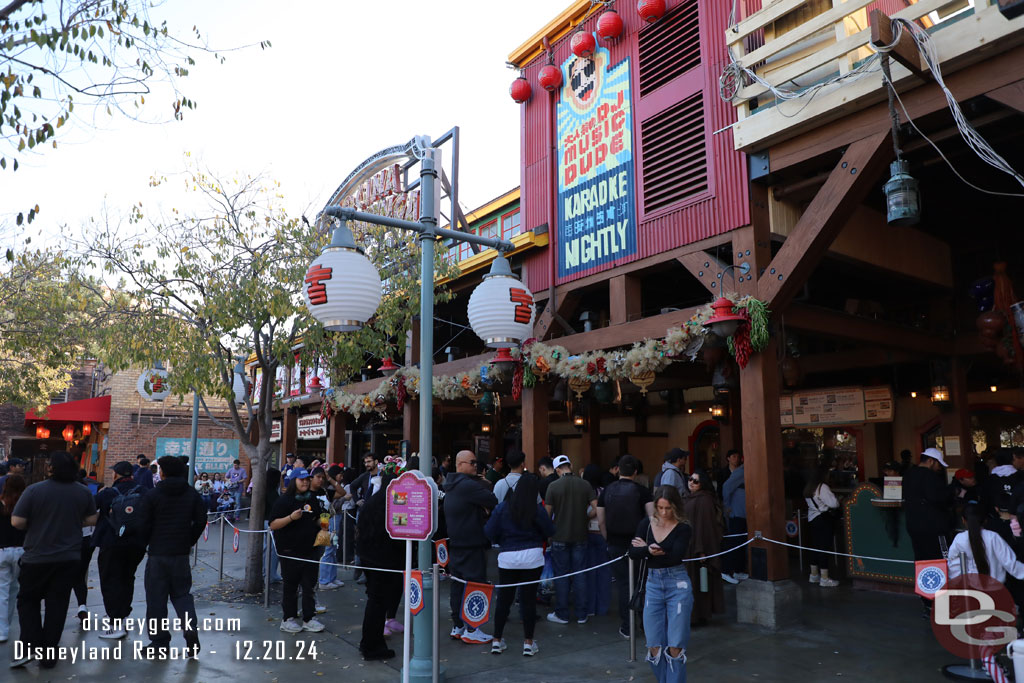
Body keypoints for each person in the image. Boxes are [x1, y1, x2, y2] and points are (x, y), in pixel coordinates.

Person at [10, 451, 97, 669]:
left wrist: (38, 523)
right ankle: (49, 654)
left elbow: (17, 522)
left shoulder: (34, 490)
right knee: (57, 605)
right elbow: (92, 518)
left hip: (36, 557)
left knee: (28, 601)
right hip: (68, 558)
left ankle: (30, 646)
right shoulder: (83, 492)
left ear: (51, 468)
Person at [138, 455, 207, 657]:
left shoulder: (153, 495)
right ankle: (190, 627)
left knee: (156, 599)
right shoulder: (191, 494)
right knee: (182, 595)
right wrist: (190, 540)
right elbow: (201, 520)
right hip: (181, 553)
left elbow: (143, 524)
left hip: (158, 552)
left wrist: (147, 542)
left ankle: (159, 642)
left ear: (162, 472)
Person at [484, 472, 554, 656]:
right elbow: (549, 529)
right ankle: (528, 643)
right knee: (528, 601)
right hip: (532, 557)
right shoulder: (537, 509)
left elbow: (489, 531)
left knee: (504, 600)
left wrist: (503, 540)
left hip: (507, 557)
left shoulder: (503, 507)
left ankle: (497, 640)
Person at [629, 486, 694, 683]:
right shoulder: (646, 524)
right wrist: (651, 550)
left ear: (676, 507)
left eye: (668, 508)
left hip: (678, 583)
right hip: (653, 583)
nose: (664, 513)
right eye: (660, 508)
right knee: (654, 645)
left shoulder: (683, 527)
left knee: (675, 646)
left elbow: (676, 556)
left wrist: (647, 549)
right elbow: (632, 553)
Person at [443, 449, 498, 644]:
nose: (477, 466)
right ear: (460, 464)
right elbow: (493, 500)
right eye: (473, 462)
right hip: (472, 542)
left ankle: (458, 626)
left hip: (456, 542)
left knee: (458, 585)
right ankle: (472, 629)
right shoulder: (466, 485)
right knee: (476, 584)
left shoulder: (450, 484)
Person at [597, 454, 654, 639]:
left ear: (618, 470)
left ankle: (627, 625)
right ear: (636, 472)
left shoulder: (606, 491)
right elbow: (652, 519)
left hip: (615, 543)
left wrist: (608, 539)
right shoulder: (643, 491)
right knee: (642, 584)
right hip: (638, 543)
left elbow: (601, 521)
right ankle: (645, 624)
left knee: (623, 585)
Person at [92, 461, 149, 639]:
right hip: (136, 544)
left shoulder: (107, 493)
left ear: (115, 475)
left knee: (110, 580)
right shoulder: (144, 492)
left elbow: (90, 510)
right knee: (127, 578)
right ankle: (122, 615)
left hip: (111, 543)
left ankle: (115, 621)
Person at [355, 460, 405, 661]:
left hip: (369, 559)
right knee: (378, 604)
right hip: (385, 562)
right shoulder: (393, 504)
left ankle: (369, 642)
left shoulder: (372, 502)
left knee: (374, 602)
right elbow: (398, 536)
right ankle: (372, 646)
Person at [269, 467, 326, 634]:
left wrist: (323, 525)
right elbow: (273, 524)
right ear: (294, 481)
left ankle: (309, 617)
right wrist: (291, 518)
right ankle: (288, 618)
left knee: (309, 585)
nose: (306, 482)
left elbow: (318, 517)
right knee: (291, 586)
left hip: (310, 550)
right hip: (289, 551)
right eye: (302, 480)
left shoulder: (312, 499)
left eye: (308, 479)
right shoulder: (284, 501)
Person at [545, 454, 597, 626]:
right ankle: (582, 613)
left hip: (559, 536)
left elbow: (547, 514)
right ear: (571, 465)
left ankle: (562, 613)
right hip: (581, 535)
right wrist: (586, 517)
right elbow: (596, 509)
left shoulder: (553, 486)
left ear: (558, 470)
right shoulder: (585, 484)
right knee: (580, 574)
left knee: (562, 575)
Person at [683, 469, 725, 624]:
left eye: (696, 481)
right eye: (690, 479)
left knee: (698, 582)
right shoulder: (691, 497)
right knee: (692, 582)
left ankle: (699, 615)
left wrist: (701, 550)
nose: (691, 483)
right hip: (689, 545)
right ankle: (694, 615)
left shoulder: (705, 500)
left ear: (703, 484)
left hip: (698, 547)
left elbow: (705, 527)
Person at [948, 502, 1024, 584]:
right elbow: (1010, 564)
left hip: (971, 590)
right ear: (985, 520)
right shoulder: (993, 537)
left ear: (963, 520)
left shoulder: (959, 539)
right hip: (996, 589)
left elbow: (953, 568)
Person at [804, 464, 841, 587]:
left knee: (815, 547)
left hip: (812, 519)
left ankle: (814, 575)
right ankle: (824, 578)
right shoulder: (822, 487)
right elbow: (833, 503)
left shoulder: (808, 488)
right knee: (824, 547)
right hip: (824, 519)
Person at [581, 464, 610, 618]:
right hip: (602, 533)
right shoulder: (605, 491)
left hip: (587, 533)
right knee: (604, 572)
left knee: (589, 572)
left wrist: (591, 513)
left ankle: (590, 607)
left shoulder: (584, 491)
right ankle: (603, 607)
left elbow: (584, 513)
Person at [0, 474, 26, 644]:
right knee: (14, 589)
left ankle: (2, 629)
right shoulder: (25, 506)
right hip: (22, 551)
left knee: (2, 591)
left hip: (2, 551)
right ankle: (6, 625)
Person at [72, 470, 97, 627]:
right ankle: (82, 605)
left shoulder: (62, 494)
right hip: (85, 539)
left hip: (64, 540)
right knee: (80, 575)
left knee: (63, 576)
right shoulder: (87, 493)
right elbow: (94, 518)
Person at [721, 449, 748, 583]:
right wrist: (727, 508)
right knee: (734, 543)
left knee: (741, 543)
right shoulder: (741, 472)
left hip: (744, 514)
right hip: (736, 513)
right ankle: (726, 571)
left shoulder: (745, 471)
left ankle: (738, 570)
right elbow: (726, 487)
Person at [264, 468, 283, 583]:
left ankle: (266, 573)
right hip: (271, 522)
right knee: (272, 549)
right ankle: (270, 574)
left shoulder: (265, 489)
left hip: (266, 521)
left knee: (266, 548)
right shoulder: (271, 492)